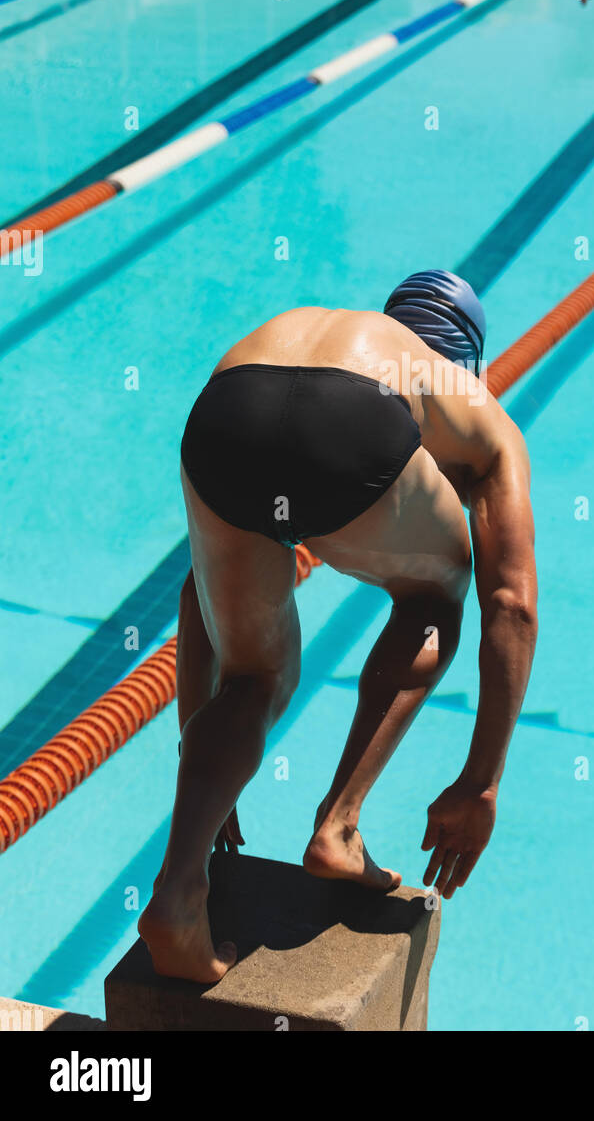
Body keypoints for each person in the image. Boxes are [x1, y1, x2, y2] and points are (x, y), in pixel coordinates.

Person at [139, 270, 538, 982]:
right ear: (465, 360)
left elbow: (197, 589)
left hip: (224, 409)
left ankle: (177, 893)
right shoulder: (471, 405)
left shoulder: (331, 331)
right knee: (432, 601)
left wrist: (203, 767)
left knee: (254, 677)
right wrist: (481, 782)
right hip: (352, 421)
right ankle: (338, 827)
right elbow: (511, 603)